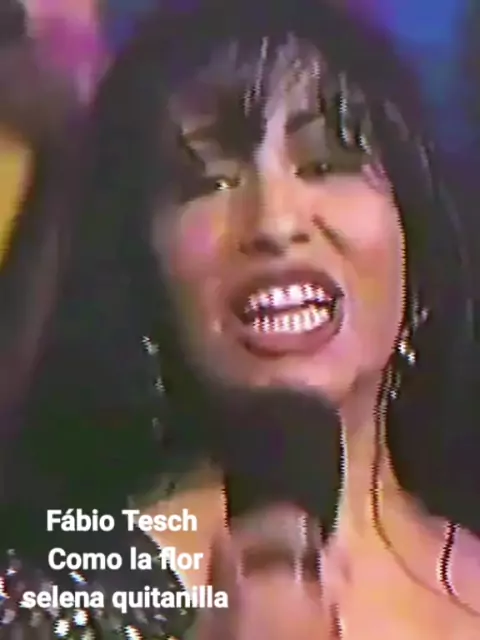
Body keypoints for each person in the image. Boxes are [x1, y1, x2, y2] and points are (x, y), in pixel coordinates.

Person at [2, 0, 480, 637]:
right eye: (209, 182)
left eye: (324, 165)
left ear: (413, 234)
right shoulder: (65, 587)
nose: (274, 223)